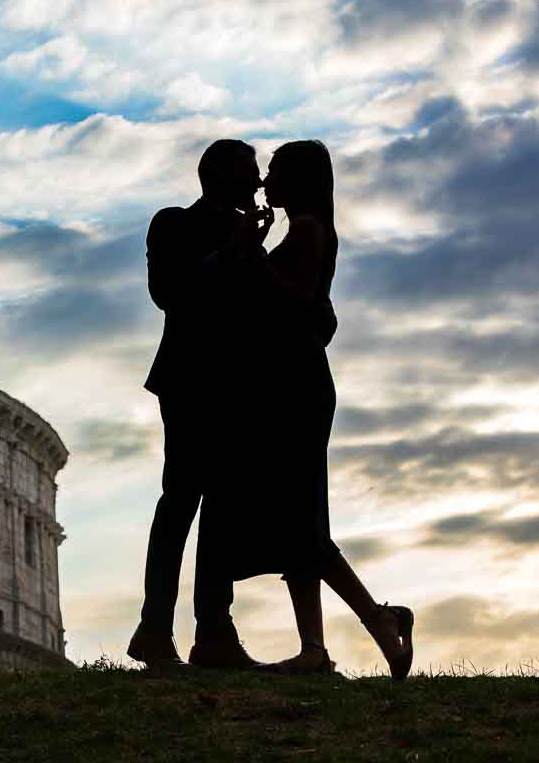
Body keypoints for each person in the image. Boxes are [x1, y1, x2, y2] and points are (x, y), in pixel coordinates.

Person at [201, 139, 414, 678]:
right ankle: (316, 649)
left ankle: (378, 620)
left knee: (302, 520)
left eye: (274, 171)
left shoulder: (311, 231)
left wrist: (251, 255)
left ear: (298, 179)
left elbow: (296, 304)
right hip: (285, 384)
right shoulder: (303, 231)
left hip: (295, 387)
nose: (265, 180)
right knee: (298, 521)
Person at [128, 139, 268, 670]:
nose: (256, 184)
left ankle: (213, 631)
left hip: (237, 384)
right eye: (248, 172)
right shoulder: (173, 223)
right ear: (219, 175)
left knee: (224, 508)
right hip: (190, 379)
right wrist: (228, 255)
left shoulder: (242, 233)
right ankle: (157, 628)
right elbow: (168, 292)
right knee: (181, 500)